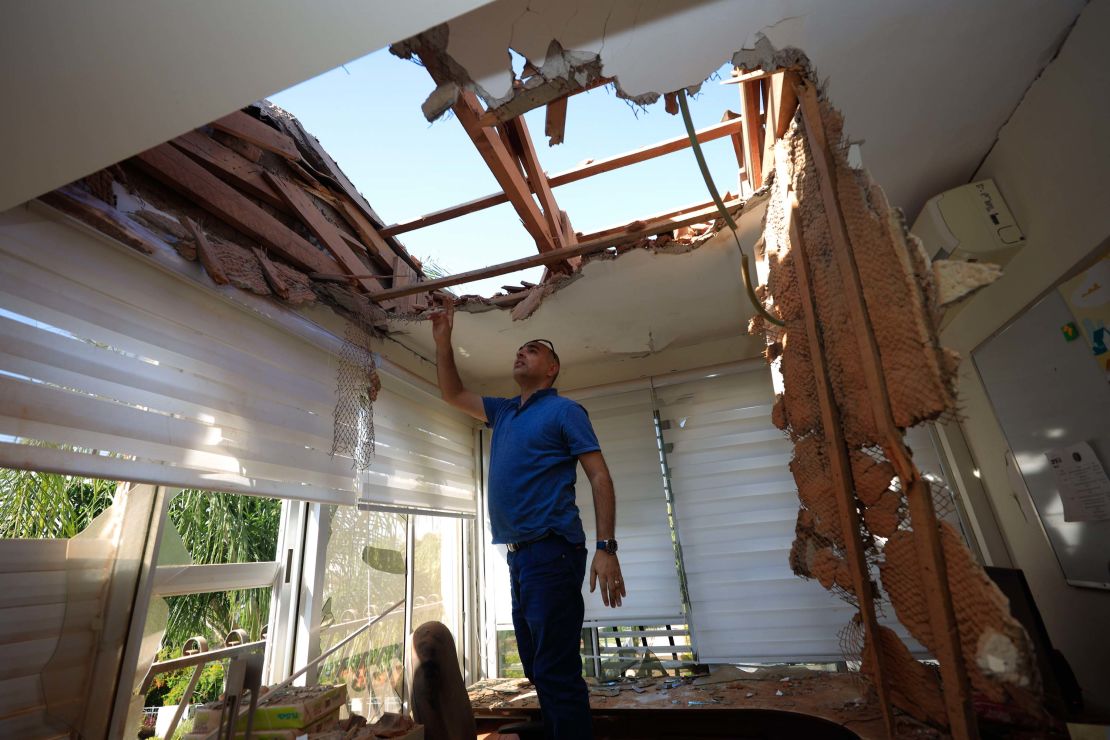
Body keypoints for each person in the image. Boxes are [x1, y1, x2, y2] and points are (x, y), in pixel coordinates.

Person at [429, 295, 625, 739]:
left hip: (552, 552)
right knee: (541, 668)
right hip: (519, 558)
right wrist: (444, 338)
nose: (521, 352)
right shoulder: (503, 412)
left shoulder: (565, 411)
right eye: (520, 349)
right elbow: (452, 393)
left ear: (552, 368)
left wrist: (606, 548)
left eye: (533, 349)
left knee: (554, 670)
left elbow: (599, 477)